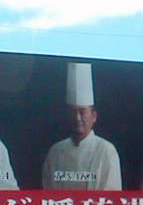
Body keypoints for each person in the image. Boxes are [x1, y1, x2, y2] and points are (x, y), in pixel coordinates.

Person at [42, 62, 122, 190]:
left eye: (82, 112)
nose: (77, 118)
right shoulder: (55, 152)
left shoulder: (106, 150)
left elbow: (111, 196)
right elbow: (47, 192)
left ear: (94, 116)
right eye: (73, 112)